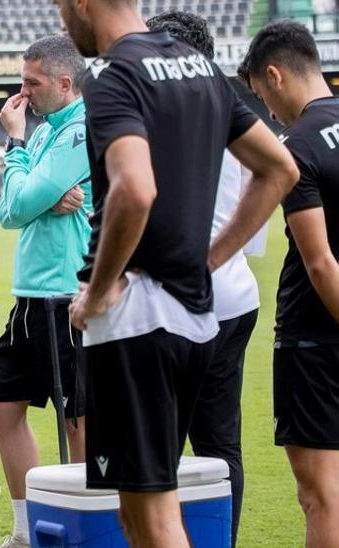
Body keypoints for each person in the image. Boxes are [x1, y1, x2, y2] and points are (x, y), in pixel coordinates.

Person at [56, 0, 298, 544]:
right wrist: (209, 259)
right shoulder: (201, 68)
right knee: (138, 513)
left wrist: (96, 292)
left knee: (154, 517)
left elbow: (135, 189)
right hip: (194, 316)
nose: (61, 21)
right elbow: (279, 168)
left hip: (134, 321)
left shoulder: (114, 76)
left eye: (59, 6)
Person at [149, 11, 268, 546]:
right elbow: (272, 180)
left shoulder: (153, 110)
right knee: (221, 446)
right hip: (233, 296)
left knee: (159, 448)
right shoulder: (236, 108)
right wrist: (220, 256)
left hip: (172, 307)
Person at [0, 35, 91, 548]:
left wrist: (14, 145)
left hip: (67, 295)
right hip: (30, 293)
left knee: (79, 421)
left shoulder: (78, 129)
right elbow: (17, 208)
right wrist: (36, 188)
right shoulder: (48, 129)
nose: (22, 94)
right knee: (2, 409)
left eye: (33, 83)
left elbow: (14, 209)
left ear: (65, 83)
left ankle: (88, 530)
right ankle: (29, 530)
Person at [238, 19, 339, 547]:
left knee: (321, 495)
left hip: (316, 340)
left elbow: (319, 262)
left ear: (274, 75)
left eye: (260, 96)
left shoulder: (294, 146)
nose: (267, 111)